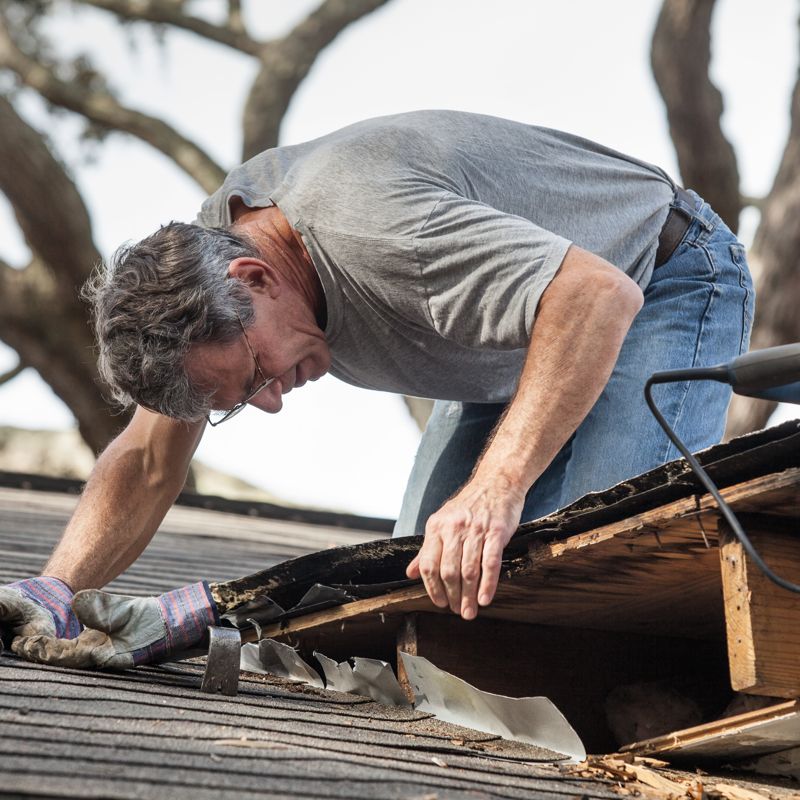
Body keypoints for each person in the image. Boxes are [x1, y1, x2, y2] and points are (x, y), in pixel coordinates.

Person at [0, 111, 753, 668]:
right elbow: (148, 457)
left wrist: (496, 486)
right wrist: (55, 591)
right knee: (425, 610)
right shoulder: (202, 268)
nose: (272, 400)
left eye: (258, 375)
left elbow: (595, 297)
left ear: (254, 279)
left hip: (657, 280)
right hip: (513, 335)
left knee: (591, 582)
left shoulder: (376, 232)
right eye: (242, 400)